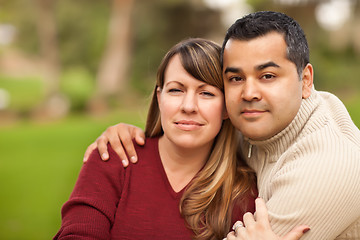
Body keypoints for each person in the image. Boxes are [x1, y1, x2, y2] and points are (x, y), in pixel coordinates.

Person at [84, 11, 360, 239]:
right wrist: (126, 133)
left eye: (267, 75)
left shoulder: (328, 169)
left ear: (306, 80)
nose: (249, 93)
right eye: (236, 78)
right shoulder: (253, 125)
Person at [55, 38, 262, 240]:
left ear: (226, 107)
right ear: (159, 98)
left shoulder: (244, 194)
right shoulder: (115, 156)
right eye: (175, 90)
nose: (188, 106)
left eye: (206, 93)